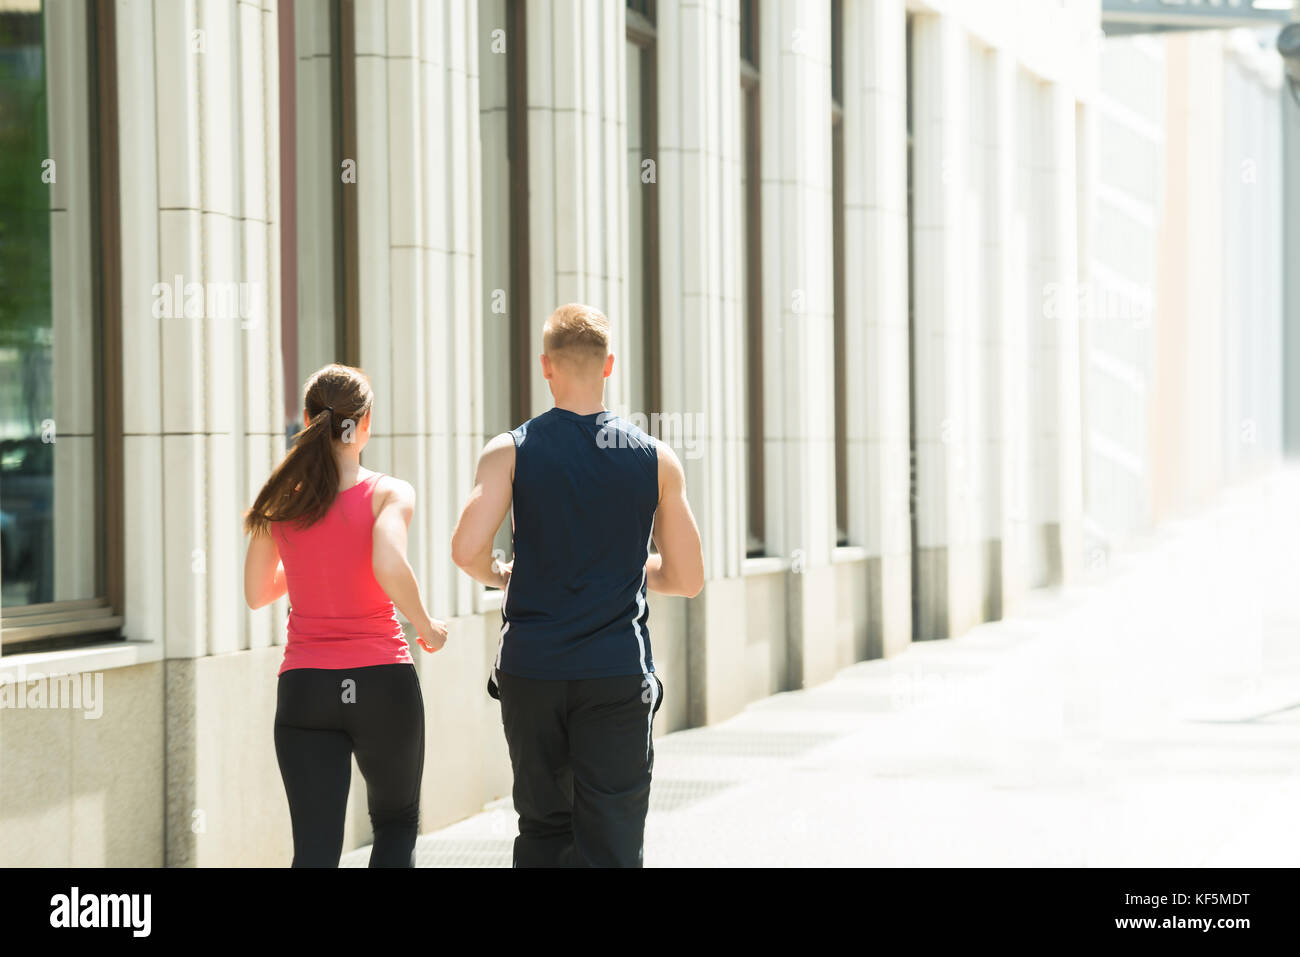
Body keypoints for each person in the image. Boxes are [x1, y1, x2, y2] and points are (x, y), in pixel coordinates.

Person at [451, 303, 704, 867]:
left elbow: (466, 550)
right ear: (609, 364)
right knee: (611, 838)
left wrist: (502, 573)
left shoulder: (509, 451)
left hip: (531, 671)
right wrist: (622, 569)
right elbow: (688, 578)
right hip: (616, 673)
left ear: (547, 366)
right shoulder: (655, 458)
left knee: (542, 828)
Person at [243, 363, 447, 867]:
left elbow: (255, 592)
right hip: (381, 682)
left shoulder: (281, 501)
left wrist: (316, 562)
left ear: (310, 420)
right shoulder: (389, 493)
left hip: (306, 687)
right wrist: (425, 624)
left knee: (314, 851)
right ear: (366, 424)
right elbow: (387, 561)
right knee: (396, 826)